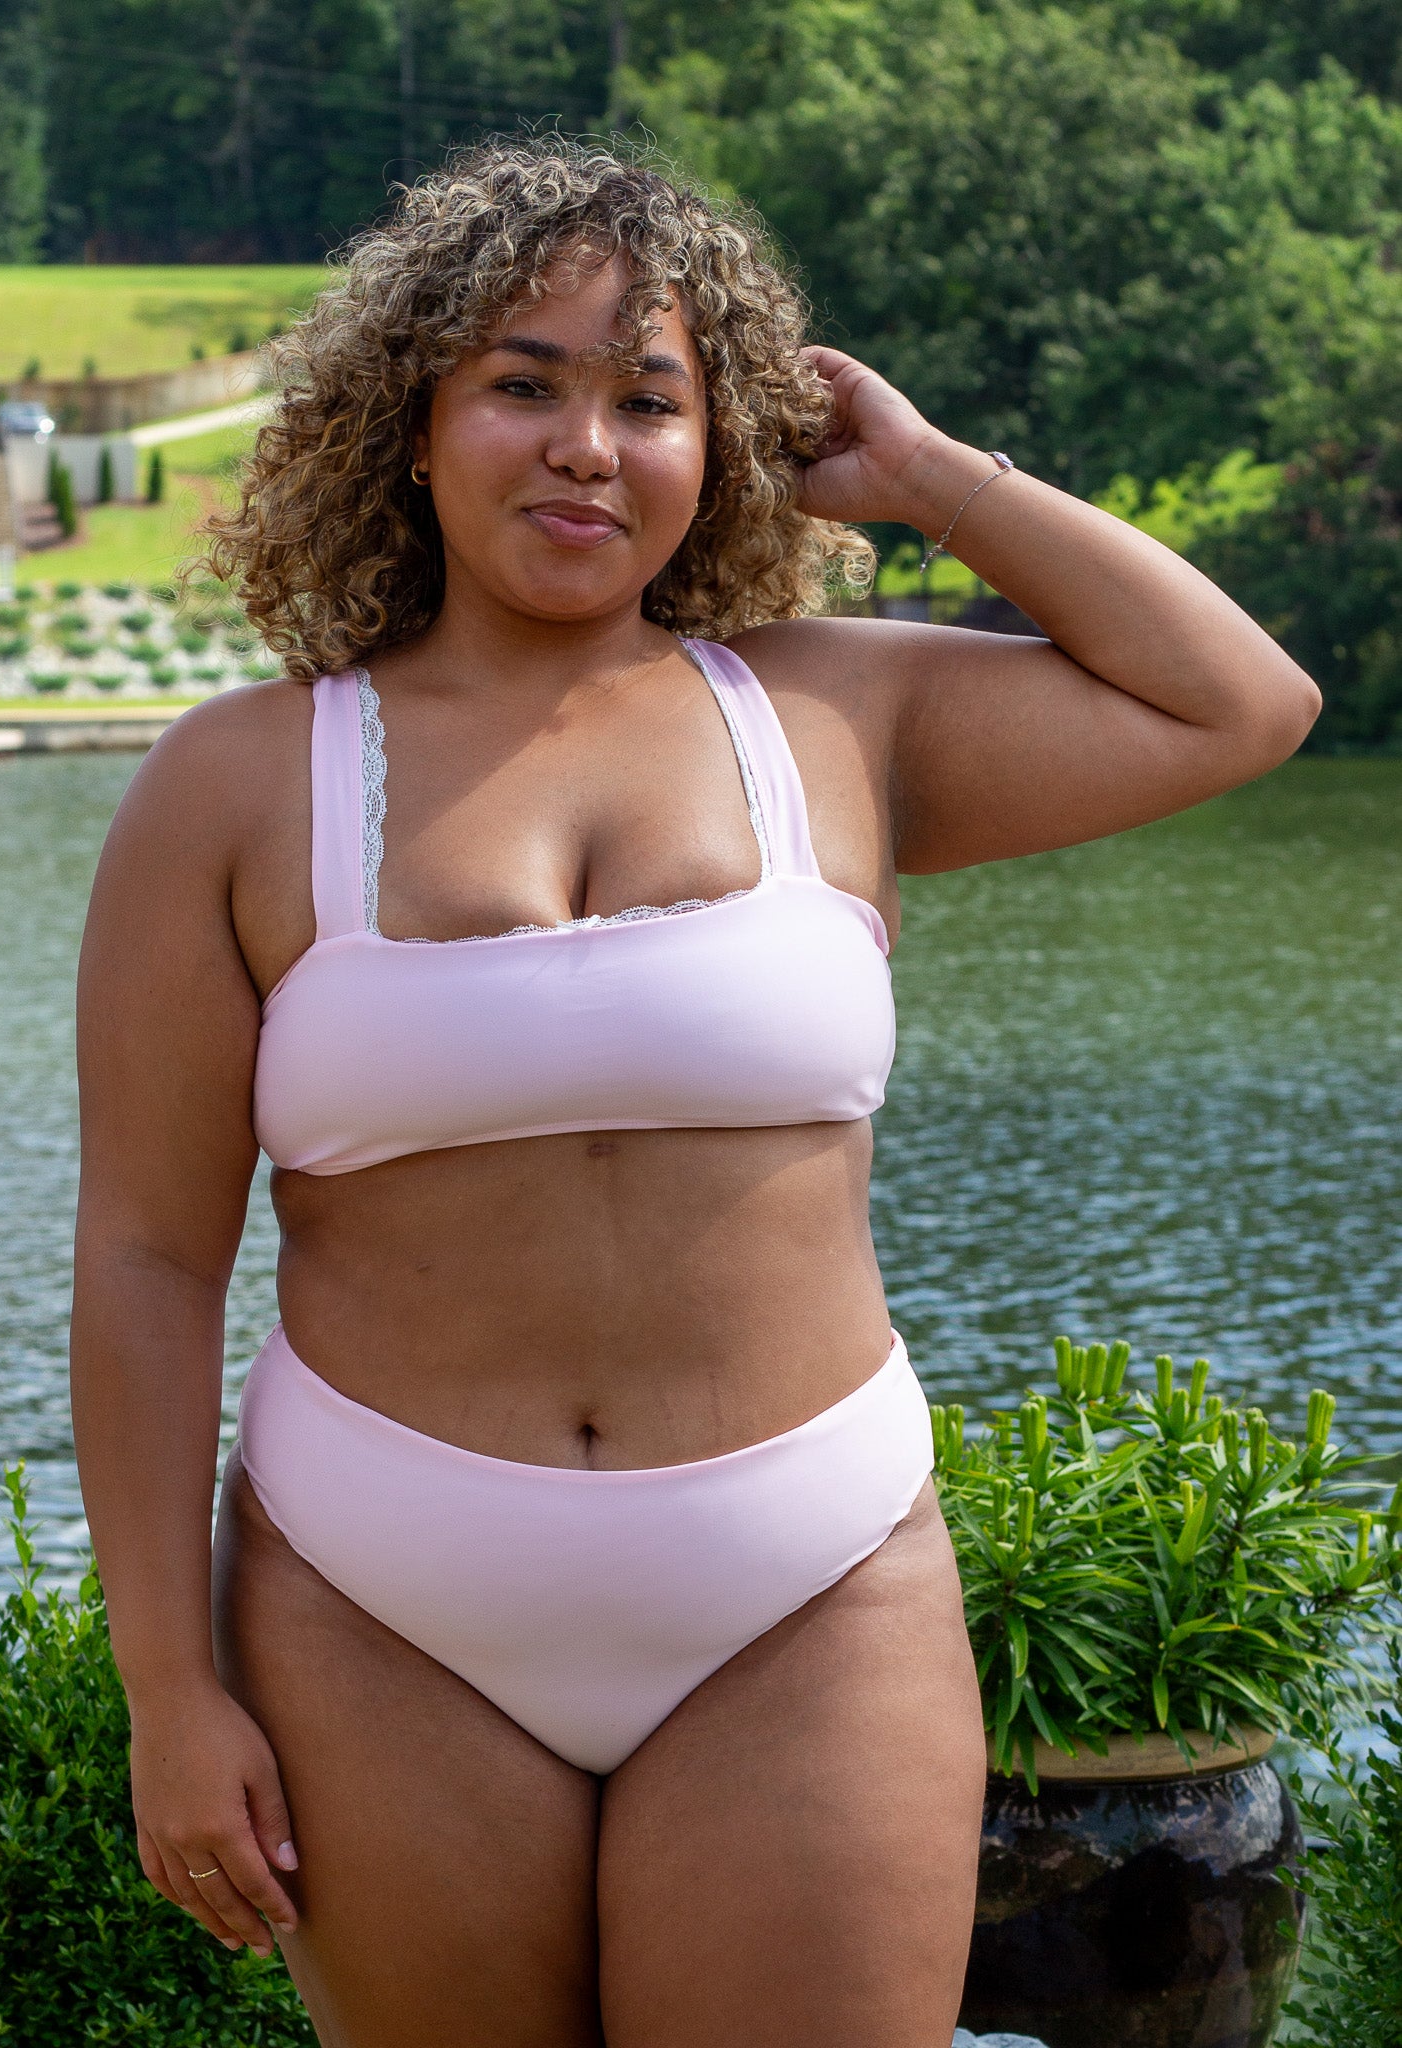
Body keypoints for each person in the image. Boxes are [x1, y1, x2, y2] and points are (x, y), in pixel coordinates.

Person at [70, 139, 1320, 2047]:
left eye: (649, 400)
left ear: (723, 446)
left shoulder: (834, 714)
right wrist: (169, 1693)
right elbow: (149, 1261)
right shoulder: (235, 785)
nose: (587, 446)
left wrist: (930, 479)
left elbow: (1239, 704)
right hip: (376, 1597)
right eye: (525, 384)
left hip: (806, 1581)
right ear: (410, 421)